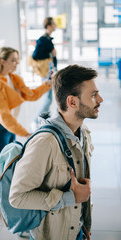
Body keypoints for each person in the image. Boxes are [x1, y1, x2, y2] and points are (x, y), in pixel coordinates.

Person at [9, 64, 103, 240]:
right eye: (93, 95)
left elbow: (81, 185)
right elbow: (17, 197)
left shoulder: (83, 132)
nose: (100, 99)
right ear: (72, 102)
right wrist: (70, 197)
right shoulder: (45, 143)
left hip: (76, 230)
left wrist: (84, 224)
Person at [0, 47, 51, 218]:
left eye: (17, 60)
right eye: (13, 60)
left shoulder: (13, 78)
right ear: (2, 61)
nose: (16, 63)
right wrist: (25, 133)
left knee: (6, 167)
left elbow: (30, 94)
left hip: (10, 131)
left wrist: (47, 84)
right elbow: (4, 115)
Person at [30, 17, 57, 131]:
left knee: (49, 97)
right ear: (49, 26)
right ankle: (36, 120)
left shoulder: (47, 39)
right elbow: (36, 55)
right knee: (48, 98)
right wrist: (51, 53)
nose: (55, 25)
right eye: (54, 24)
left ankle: (43, 120)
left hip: (49, 71)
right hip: (46, 72)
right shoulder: (43, 39)